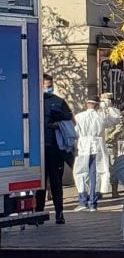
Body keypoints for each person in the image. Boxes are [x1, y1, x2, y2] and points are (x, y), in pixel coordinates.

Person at [35, 74, 73, 224]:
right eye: (46, 85)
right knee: (40, 184)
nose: (48, 88)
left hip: (55, 149)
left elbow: (69, 117)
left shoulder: (58, 101)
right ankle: (38, 214)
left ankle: (59, 213)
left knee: (56, 182)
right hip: (39, 149)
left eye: (50, 85)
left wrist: (59, 123)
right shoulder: (33, 102)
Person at [72, 96, 119, 211]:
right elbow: (116, 119)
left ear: (86, 103)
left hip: (83, 146)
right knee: (96, 173)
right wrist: (109, 106)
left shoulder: (79, 117)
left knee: (81, 172)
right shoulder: (101, 116)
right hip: (98, 147)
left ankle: (83, 200)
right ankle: (93, 202)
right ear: (97, 105)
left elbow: (74, 132)